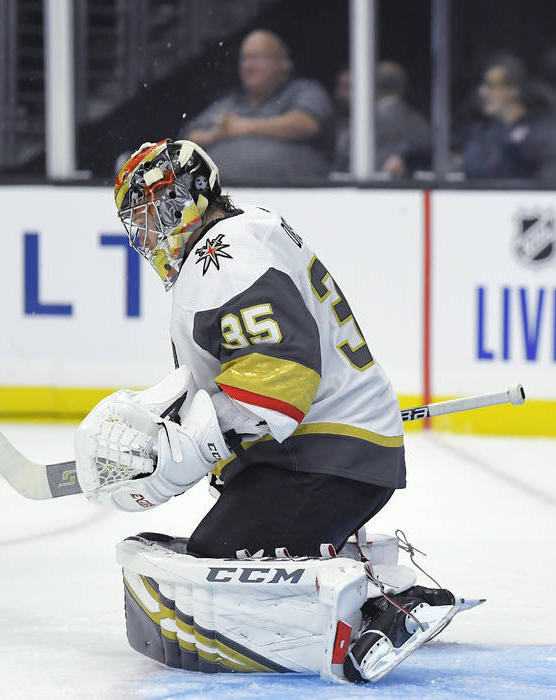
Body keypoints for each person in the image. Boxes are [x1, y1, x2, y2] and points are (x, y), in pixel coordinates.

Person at [73, 138, 472, 683]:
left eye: (158, 212)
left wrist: (193, 446)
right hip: (329, 449)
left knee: (221, 556)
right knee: (220, 546)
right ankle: (380, 577)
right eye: (139, 223)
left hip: (327, 457)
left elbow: (281, 377)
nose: (151, 234)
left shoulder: (222, 257)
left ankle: (392, 605)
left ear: (194, 196)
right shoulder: (244, 231)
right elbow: (247, 370)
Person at [384, 54, 556, 181]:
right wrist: (405, 156)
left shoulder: (539, 134)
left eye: (491, 86)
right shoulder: (482, 131)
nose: (484, 92)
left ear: (512, 90)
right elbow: (440, 142)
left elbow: (555, 178)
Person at [182, 29, 332, 183]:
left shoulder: (306, 90)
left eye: (257, 57)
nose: (248, 65)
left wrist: (245, 127)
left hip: (297, 195)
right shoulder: (231, 101)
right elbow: (189, 139)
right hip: (227, 196)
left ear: (284, 64)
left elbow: (307, 124)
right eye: (244, 58)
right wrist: (215, 135)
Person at [332, 61, 430, 173]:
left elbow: (343, 159)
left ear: (371, 86)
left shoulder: (364, 120)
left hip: (364, 185)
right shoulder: (416, 119)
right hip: (401, 186)